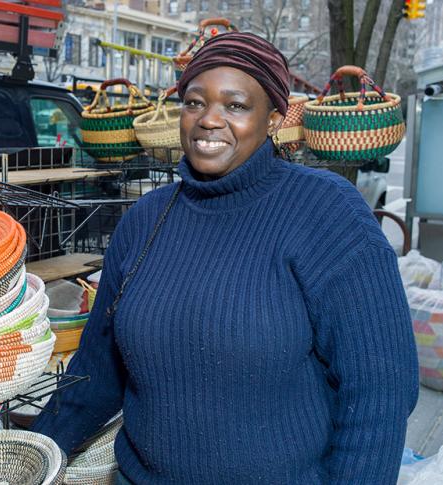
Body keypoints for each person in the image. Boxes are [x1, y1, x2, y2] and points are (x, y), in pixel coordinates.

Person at [32, 32, 419, 484]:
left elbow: (379, 390)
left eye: (235, 106)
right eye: (195, 103)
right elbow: (96, 372)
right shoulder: (147, 220)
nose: (209, 120)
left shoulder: (326, 213)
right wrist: (33, 454)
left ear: (274, 119)